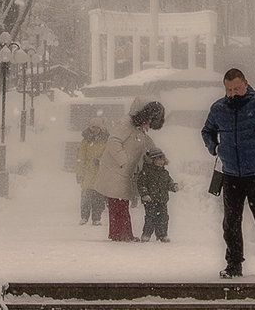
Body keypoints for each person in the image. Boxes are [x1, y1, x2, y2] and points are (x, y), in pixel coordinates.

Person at [201, 67, 255, 279]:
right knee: (231, 222)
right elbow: (207, 131)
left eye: (236, 88)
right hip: (230, 174)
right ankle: (233, 264)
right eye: (228, 89)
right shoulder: (219, 108)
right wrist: (215, 147)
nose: (232, 94)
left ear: (246, 84)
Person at [93, 96, 165, 242]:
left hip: (124, 173)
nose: (149, 125)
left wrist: (159, 158)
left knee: (121, 203)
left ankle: (122, 234)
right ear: (145, 115)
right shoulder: (126, 124)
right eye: (150, 120)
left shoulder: (139, 130)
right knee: (118, 203)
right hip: (115, 171)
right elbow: (113, 141)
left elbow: (148, 145)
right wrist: (124, 161)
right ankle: (121, 235)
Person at [136, 147, 178, 242]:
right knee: (150, 217)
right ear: (152, 160)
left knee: (163, 218)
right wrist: (144, 194)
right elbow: (141, 184)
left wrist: (173, 186)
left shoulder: (164, 172)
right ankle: (146, 234)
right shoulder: (145, 172)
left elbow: (168, 183)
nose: (161, 162)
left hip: (162, 199)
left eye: (162, 159)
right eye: (158, 159)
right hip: (150, 200)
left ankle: (162, 234)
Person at [75, 114, 109, 225]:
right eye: (93, 127)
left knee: (99, 198)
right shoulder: (85, 142)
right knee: (86, 196)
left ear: (101, 128)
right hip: (88, 172)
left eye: (97, 127)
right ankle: (84, 217)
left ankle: (96, 218)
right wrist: (79, 173)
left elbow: (108, 156)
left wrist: (100, 161)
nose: (95, 130)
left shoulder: (106, 142)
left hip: (100, 173)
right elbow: (81, 157)